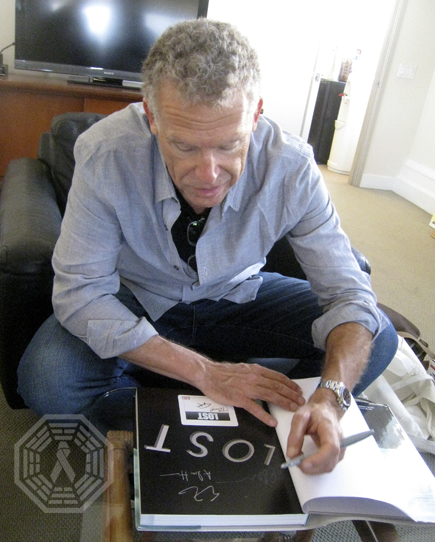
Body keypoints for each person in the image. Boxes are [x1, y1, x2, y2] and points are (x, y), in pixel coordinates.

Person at [18, 18, 397, 474]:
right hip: (136, 299)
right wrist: (206, 373)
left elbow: (349, 294)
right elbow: (80, 293)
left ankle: (269, 419)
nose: (208, 174)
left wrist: (332, 397)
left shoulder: (292, 167)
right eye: (184, 146)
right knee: (46, 380)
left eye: (229, 145)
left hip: (239, 297)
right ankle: (211, 418)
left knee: (379, 335)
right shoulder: (106, 153)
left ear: (255, 115)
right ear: (152, 117)